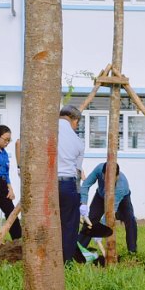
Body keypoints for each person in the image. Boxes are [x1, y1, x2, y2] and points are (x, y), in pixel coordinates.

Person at [79, 162, 137, 254]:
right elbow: (86, 185)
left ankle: (132, 250)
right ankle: (79, 248)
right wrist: (83, 203)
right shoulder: (99, 169)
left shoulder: (121, 186)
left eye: (111, 179)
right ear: (102, 174)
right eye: (106, 178)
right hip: (101, 196)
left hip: (122, 199)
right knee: (91, 219)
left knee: (130, 219)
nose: (108, 182)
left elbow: (109, 213)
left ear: (117, 176)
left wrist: (100, 230)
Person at [57, 104, 85, 263]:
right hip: (67, 185)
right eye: (77, 124)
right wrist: (79, 198)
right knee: (69, 225)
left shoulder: (48, 130)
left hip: (46, 185)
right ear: (74, 120)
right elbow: (77, 173)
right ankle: (65, 261)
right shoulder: (78, 141)